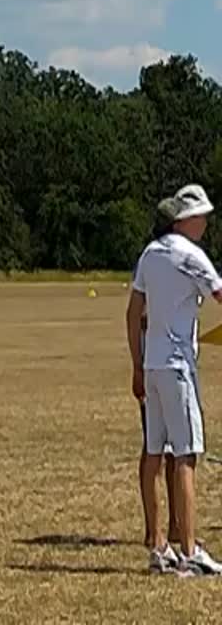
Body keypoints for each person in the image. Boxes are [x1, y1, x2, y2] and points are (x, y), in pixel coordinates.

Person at [127, 183, 222, 576]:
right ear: (185, 220)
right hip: (179, 367)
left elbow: (133, 313)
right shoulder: (193, 256)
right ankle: (189, 551)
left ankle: (158, 547)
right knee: (186, 456)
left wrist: (137, 364)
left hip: (151, 366)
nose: (205, 223)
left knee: (153, 452)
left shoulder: (150, 254)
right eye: (201, 216)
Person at [138, 197, 180, 563]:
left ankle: (175, 526)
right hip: (163, 366)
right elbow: (139, 315)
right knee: (162, 449)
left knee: (167, 451)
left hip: (158, 365)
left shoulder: (153, 257)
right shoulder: (158, 260)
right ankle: (157, 531)